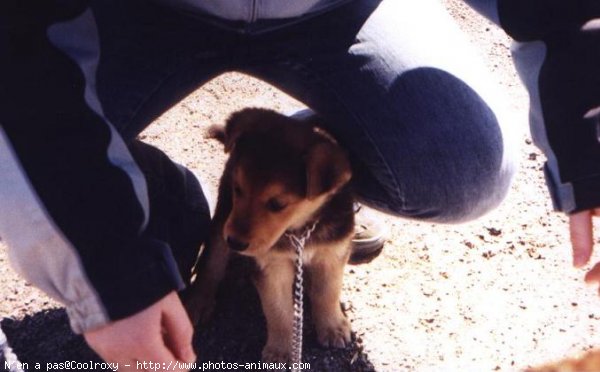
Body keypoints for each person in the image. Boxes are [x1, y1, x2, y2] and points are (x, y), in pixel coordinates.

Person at [0, 0, 595, 370]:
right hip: (138, 12)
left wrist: (590, 138)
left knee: (462, 166)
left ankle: (310, 155)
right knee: (26, 147)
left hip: (338, 12)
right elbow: (15, 43)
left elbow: (564, 8)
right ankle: (167, 207)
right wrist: (103, 266)